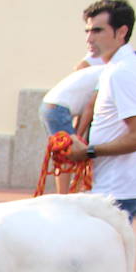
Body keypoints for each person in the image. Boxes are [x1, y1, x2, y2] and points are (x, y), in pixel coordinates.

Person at [66, 0, 136, 217]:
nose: (89, 38)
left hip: (117, 188)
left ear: (121, 31)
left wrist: (88, 151)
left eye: (97, 30)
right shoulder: (123, 65)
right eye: (87, 30)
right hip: (120, 184)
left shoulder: (121, 72)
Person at [40, 58, 105, 193]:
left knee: (65, 153)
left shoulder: (97, 70)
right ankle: (65, 195)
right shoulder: (108, 75)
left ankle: (67, 193)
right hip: (58, 108)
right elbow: (90, 107)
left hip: (52, 105)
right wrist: (78, 136)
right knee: (70, 153)